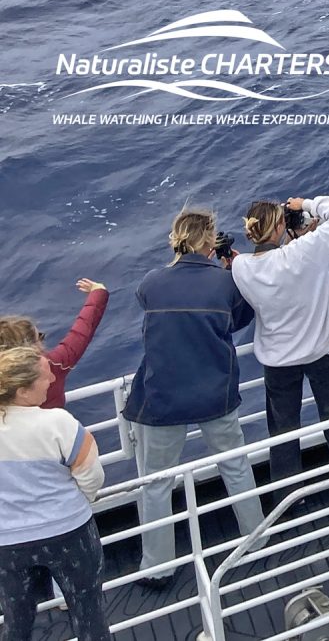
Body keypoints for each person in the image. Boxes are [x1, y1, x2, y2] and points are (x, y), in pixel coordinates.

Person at [123, 208, 265, 587]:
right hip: (214, 393)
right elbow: (237, 320)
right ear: (210, 240)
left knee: (155, 483)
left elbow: (147, 304)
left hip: (162, 396)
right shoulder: (225, 283)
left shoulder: (152, 281)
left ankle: (158, 566)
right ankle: (256, 540)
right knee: (235, 467)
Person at [231, 195, 329, 503]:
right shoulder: (306, 252)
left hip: (278, 362)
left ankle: (288, 499)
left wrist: (294, 238)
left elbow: (266, 264)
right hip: (322, 353)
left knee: (284, 433)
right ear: (279, 227)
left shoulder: (240, 267)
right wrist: (307, 204)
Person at [0, 347, 110, 640]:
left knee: (16, 619)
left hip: (7, 544)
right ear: (23, 391)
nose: (51, 379)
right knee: (89, 613)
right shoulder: (58, 423)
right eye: (43, 375)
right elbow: (92, 476)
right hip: (69, 533)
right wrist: (79, 502)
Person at [0, 278, 109, 409]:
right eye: (39, 336)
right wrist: (98, 293)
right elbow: (82, 331)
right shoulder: (53, 364)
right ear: (32, 347)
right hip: (55, 428)